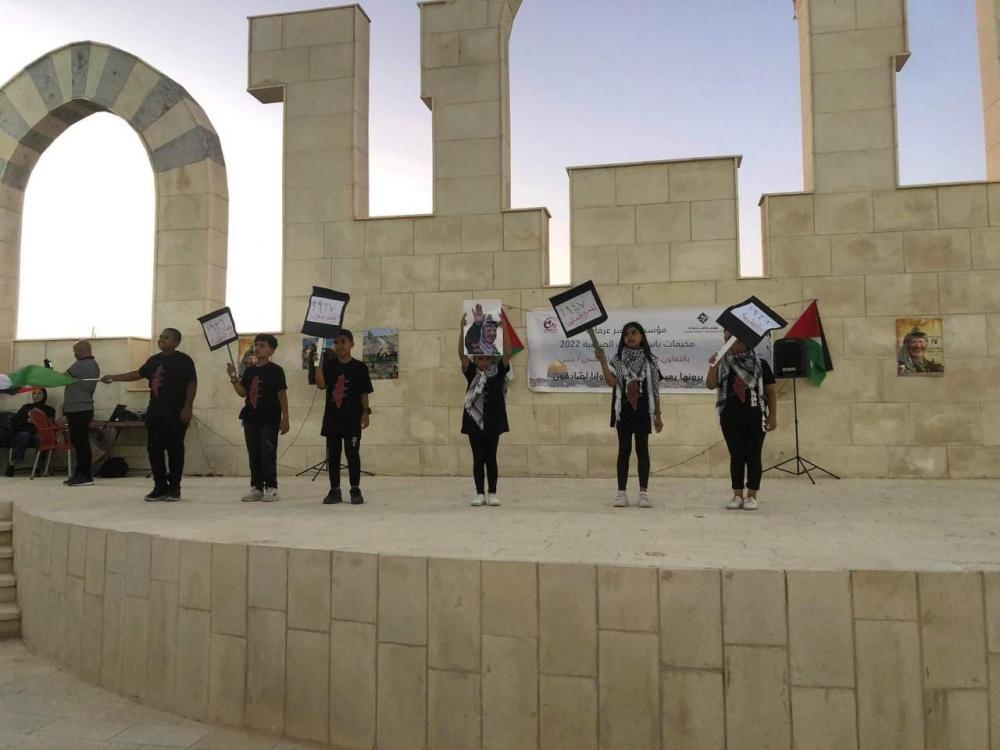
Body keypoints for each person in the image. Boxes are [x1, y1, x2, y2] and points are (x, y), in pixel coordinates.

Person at [101, 328, 197, 502]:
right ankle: (159, 487)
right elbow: (137, 374)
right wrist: (114, 377)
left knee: (175, 450)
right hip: (155, 412)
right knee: (154, 450)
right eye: (160, 337)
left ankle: (174, 488)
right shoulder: (154, 360)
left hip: (175, 412)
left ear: (176, 342)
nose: (161, 340)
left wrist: (188, 407)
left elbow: (192, 383)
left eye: (166, 337)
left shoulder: (184, 360)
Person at [594, 322, 663, 508]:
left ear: (642, 337)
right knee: (624, 451)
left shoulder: (650, 361)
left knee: (642, 451)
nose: (630, 337)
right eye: (626, 334)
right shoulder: (617, 360)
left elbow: (655, 389)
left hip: (643, 411)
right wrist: (603, 362)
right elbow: (611, 383)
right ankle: (621, 493)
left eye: (634, 333)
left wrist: (658, 414)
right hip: (623, 411)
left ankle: (643, 494)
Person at [706, 332, 777, 511]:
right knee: (736, 456)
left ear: (745, 342)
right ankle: (737, 494)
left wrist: (773, 416)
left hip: (755, 416)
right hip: (730, 417)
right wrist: (713, 366)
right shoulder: (723, 364)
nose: (727, 343)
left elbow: (770, 391)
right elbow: (710, 384)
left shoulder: (761, 364)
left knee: (753, 456)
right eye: (725, 340)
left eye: (731, 339)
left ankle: (751, 495)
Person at [227, 334, 289, 502]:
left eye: (262, 345)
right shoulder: (250, 370)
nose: (258, 348)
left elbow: (281, 394)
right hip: (251, 417)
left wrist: (285, 417)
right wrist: (233, 378)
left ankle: (271, 487)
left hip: (269, 418)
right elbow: (243, 393)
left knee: (268, 452)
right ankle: (257, 487)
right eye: (256, 344)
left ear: (271, 350)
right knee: (253, 454)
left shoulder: (276, 370)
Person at [459, 313, 513, 507]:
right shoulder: (471, 372)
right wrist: (462, 329)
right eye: (480, 358)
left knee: (491, 457)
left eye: (487, 358)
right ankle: (479, 493)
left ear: (491, 359)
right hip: (473, 421)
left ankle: (492, 493)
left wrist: (504, 328)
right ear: (476, 359)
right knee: (477, 458)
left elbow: (507, 353)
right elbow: (462, 355)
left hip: (493, 421)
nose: (483, 361)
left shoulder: (498, 371)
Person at [315, 329, 372, 505]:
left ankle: (355, 488)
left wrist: (366, 412)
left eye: (343, 342)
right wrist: (318, 364)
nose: (339, 346)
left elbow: (364, 392)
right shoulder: (329, 366)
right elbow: (321, 385)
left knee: (352, 453)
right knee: (333, 454)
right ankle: (334, 489)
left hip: (352, 418)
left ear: (351, 344)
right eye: (336, 342)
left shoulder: (360, 367)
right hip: (332, 417)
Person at [62, 340, 100, 486]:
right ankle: (80, 473)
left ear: (82, 350)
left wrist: (48, 374)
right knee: (79, 442)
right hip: (81, 409)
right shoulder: (93, 365)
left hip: (79, 409)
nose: (74, 354)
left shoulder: (81, 365)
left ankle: (85, 475)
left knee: (81, 443)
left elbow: (62, 379)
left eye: (75, 350)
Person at [5, 388, 56, 476]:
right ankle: (13, 462)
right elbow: (14, 422)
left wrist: (40, 420)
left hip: (38, 433)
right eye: (34, 393)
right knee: (25, 435)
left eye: (39, 394)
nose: (36, 396)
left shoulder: (49, 409)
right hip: (24, 432)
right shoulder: (26, 407)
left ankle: (38, 465)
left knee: (40, 437)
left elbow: (50, 425)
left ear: (44, 396)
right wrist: (27, 421)